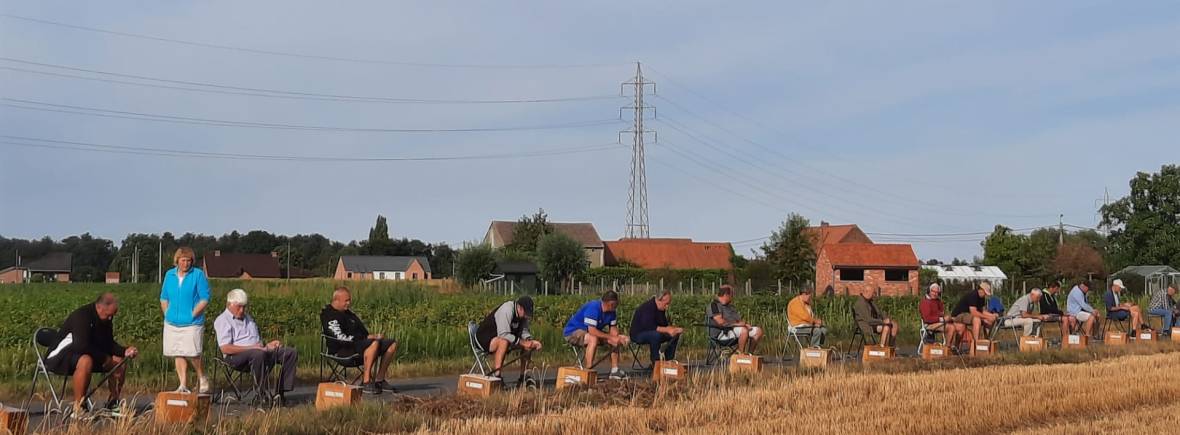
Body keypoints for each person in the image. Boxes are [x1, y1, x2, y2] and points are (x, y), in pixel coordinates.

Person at [45, 293, 138, 413]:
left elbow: (108, 343)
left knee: (119, 361)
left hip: (85, 354)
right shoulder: (82, 316)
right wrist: (104, 359)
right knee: (86, 361)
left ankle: (113, 402)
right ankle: (79, 407)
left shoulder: (106, 319)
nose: (110, 318)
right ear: (99, 307)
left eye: (113, 315)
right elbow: (81, 346)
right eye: (109, 315)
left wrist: (125, 351)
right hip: (61, 356)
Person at [214, 289, 298, 405]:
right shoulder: (223, 320)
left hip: (258, 352)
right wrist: (252, 348)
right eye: (239, 307)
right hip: (235, 357)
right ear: (229, 305)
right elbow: (225, 348)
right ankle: (261, 395)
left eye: (244, 307)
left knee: (290, 353)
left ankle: (280, 393)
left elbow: (257, 342)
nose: (242, 310)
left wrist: (268, 345)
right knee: (258, 354)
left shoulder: (248, 318)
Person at [320, 287, 398, 394]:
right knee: (373, 343)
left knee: (391, 344)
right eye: (346, 300)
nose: (349, 303)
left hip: (359, 345)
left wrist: (372, 336)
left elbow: (364, 333)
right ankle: (366, 382)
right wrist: (366, 339)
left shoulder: (349, 314)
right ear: (336, 300)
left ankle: (379, 380)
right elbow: (340, 338)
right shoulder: (329, 315)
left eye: (349, 300)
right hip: (342, 349)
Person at [159, 247, 210, 394]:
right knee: (178, 352)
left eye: (188, 261)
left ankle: (202, 377)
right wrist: (167, 313)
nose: (186, 263)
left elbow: (204, 298)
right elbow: (164, 297)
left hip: (192, 322)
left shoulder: (198, 275)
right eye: (183, 260)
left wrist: (193, 313)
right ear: (177, 260)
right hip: (172, 322)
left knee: (193, 352)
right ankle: (182, 384)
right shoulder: (169, 275)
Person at [475, 296, 542, 383]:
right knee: (504, 341)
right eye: (526, 313)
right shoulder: (507, 310)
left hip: (503, 337)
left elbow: (524, 331)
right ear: (519, 308)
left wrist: (530, 341)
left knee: (528, 345)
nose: (527, 316)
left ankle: (523, 377)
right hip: (484, 339)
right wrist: (523, 342)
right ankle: (497, 377)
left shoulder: (522, 316)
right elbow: (503, 334)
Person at [564, 291, 630, 379]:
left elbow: (613, 330)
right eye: (616, 303)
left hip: (590, 333)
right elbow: (592, 331)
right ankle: (588, 370)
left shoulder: (612, 312)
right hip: (573, 332)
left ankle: (615, 370)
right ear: (611, 303)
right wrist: (611, 337)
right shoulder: (593, 307)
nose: (617, 305)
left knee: (614, 340)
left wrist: (619, 338)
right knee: (593, 339)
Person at [629, 290, 684, 363]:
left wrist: (674, 330)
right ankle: (656, 362)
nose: (667, 307)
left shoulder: (661, 309)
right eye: (666, 304)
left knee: (674, 335)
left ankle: (668, 360)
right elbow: (649, 326)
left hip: (652, 332)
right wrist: (667, 330)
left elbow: (664, 325)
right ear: (659, 300)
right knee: (655, 335)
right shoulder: (648, 307)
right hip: (638, 334)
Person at [706, 285, 763, 354]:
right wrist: (738, 325)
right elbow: (720, 322)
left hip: (734, 331)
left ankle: (749, 354)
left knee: (758, 331)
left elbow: (738, 320)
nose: (732, 297)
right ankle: (740, 354)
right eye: (731, 295)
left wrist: (745, 324)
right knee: (744, 330)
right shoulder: (714, 306)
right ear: (726, 295)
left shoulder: (730, 307)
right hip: (722, 334)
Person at [951, 282, 999, 347]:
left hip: (968, 315)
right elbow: (973, 312)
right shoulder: (973, 295)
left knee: (988, 321)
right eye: (985, 293)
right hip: (959, 315)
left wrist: (992, 315)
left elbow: (981, 311)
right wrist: (987, 317)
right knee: (977, 320)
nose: (985, 295)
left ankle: (986, 342)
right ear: (981, 290)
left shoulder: (982, 298)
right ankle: (976, 345)